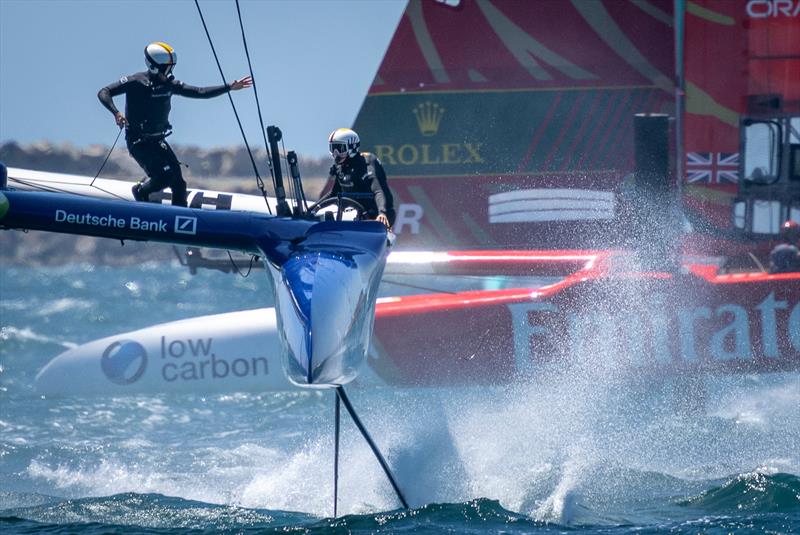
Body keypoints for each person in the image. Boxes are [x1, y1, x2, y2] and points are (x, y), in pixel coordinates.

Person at [98, 42, 252, 206]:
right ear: (153, 67)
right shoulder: (135, 82)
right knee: (164, 177)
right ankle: (141, 191)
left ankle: (180, 215)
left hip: (158, 141)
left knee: (179, 184)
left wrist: (229, 87)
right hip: (138, 142)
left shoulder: (169, 85)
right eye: (167, 69)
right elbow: (104, 92)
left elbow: (200, 92)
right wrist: (116, 113)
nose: (170, 72)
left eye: (172, 68)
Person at [322, 128, 395, 228]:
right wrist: (313, 208)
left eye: (340, 148)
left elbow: (378, 191)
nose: (336, 154)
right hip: (354, 216)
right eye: (333, 148)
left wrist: (382, 213)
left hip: (378, 216)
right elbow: (333, 194)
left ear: (352, 147)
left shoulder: (367, 162)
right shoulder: (340, 167)